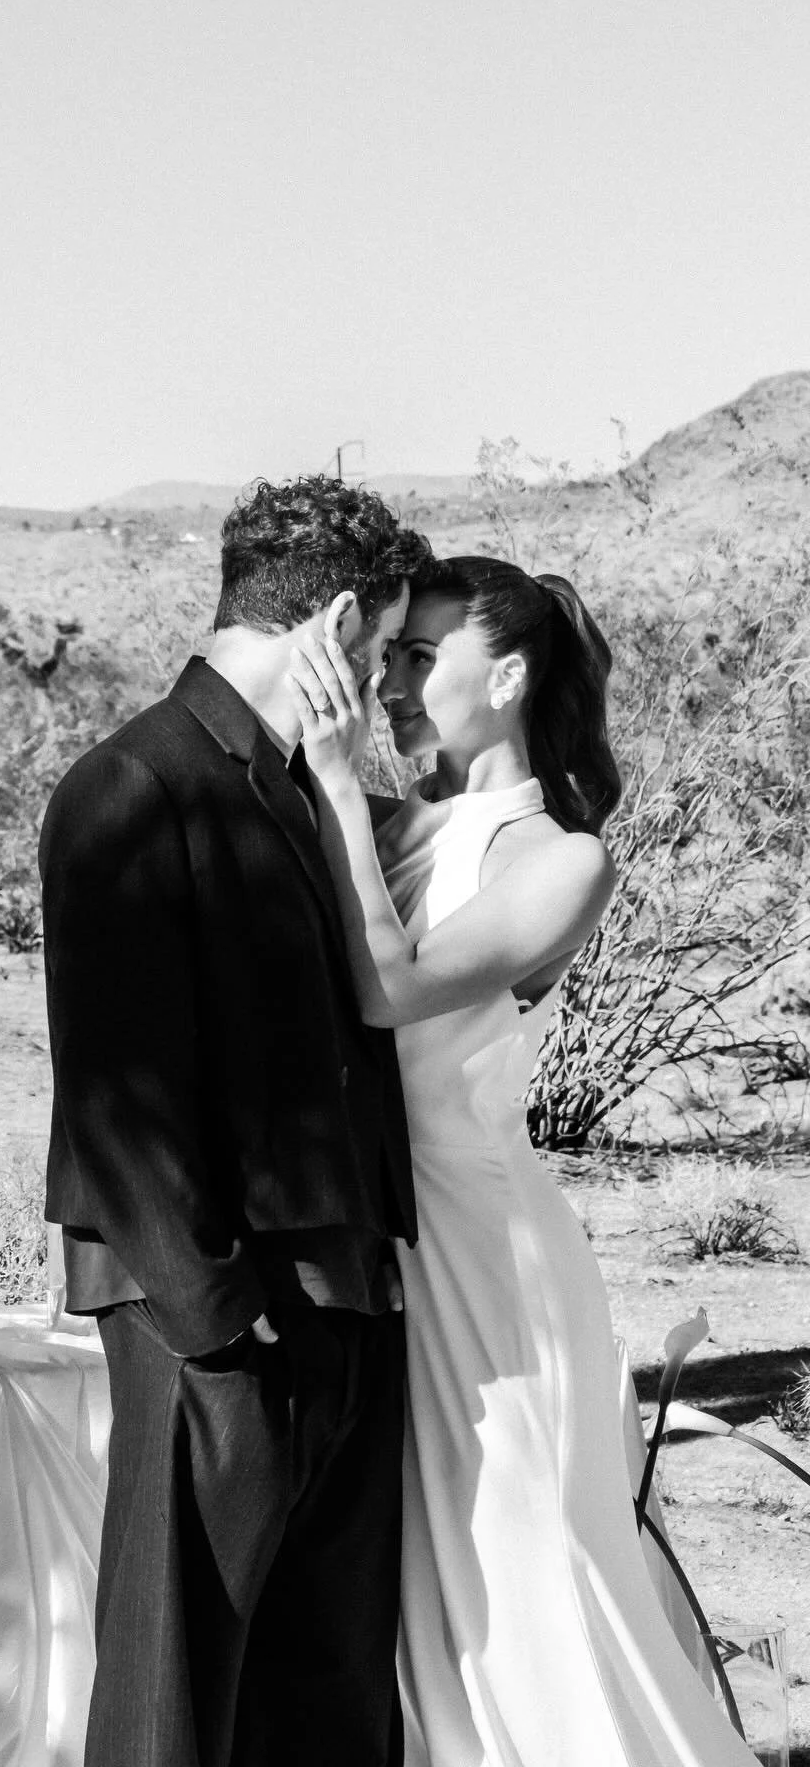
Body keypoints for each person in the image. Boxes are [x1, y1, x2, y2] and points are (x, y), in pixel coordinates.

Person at [286, 554, 755, 1766]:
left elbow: (391, 990)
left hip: (492, 1264)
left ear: (505, 675)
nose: (389, 682)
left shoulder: (561, 859)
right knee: (430, 1592)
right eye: (385, 656)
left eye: (416, 654)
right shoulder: (393, 827)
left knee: (523, 1570)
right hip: (391, 1245)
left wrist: (339, 787)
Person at [40, 474, 431, 1767]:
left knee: (327, 1705)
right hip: (213, 1321)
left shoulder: (318, 800)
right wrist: (217, 1322)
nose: (380, 690)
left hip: (349, 1302)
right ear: (332, 627)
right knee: (175, 1706)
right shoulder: (130, 788)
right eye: (377, 652)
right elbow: (115, 1094)